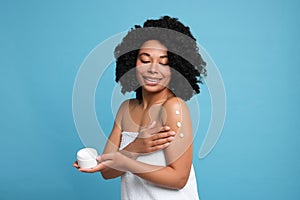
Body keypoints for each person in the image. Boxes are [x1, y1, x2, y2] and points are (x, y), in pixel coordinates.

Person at [74, 16, 206, 200]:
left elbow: (179, 179)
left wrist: (127, 162)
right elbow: (108, 172)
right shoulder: (125, 109)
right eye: (145, 60)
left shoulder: (174, 108)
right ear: (132, 63)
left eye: (164, 62)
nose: (153, 69)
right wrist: (133, 148)